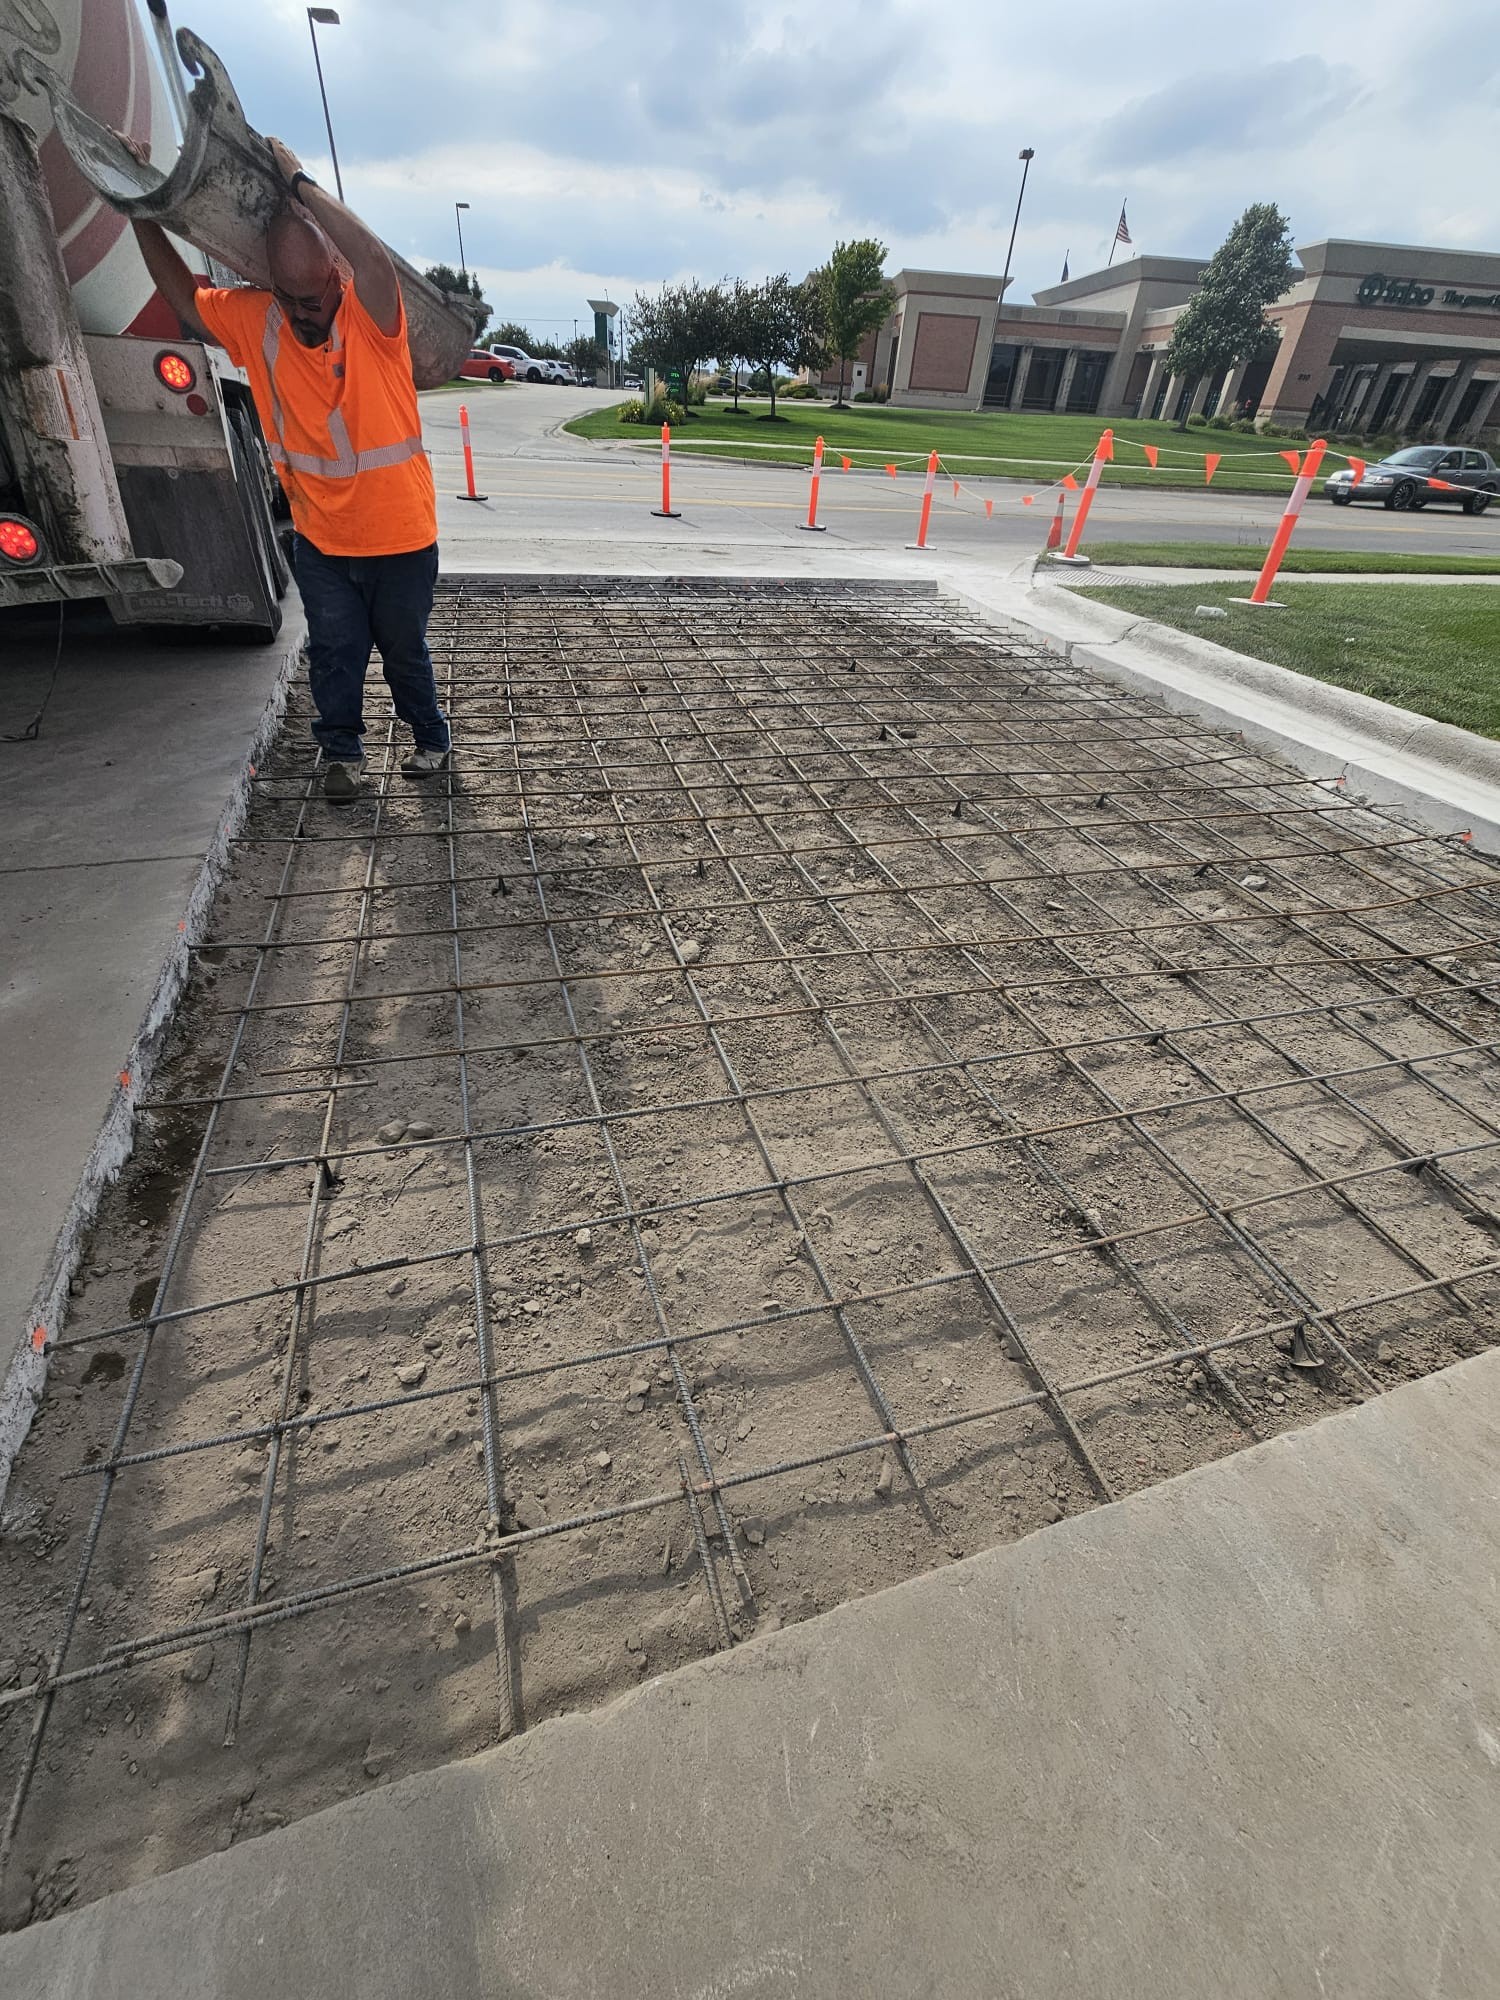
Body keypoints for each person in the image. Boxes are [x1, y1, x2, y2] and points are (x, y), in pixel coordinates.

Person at [127, 137, 450, 802]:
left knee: (404, 653)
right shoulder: (258, 321)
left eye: (313, 298)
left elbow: (371, 257)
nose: (304, 313)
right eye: (290, 298)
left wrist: (300, 182)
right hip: (323, 542)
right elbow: (185, 297)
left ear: (335, 281)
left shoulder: (372, 321)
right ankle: (343, 756)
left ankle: (430, 739)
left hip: (401, 540)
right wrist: (140, 210)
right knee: (334, 651)